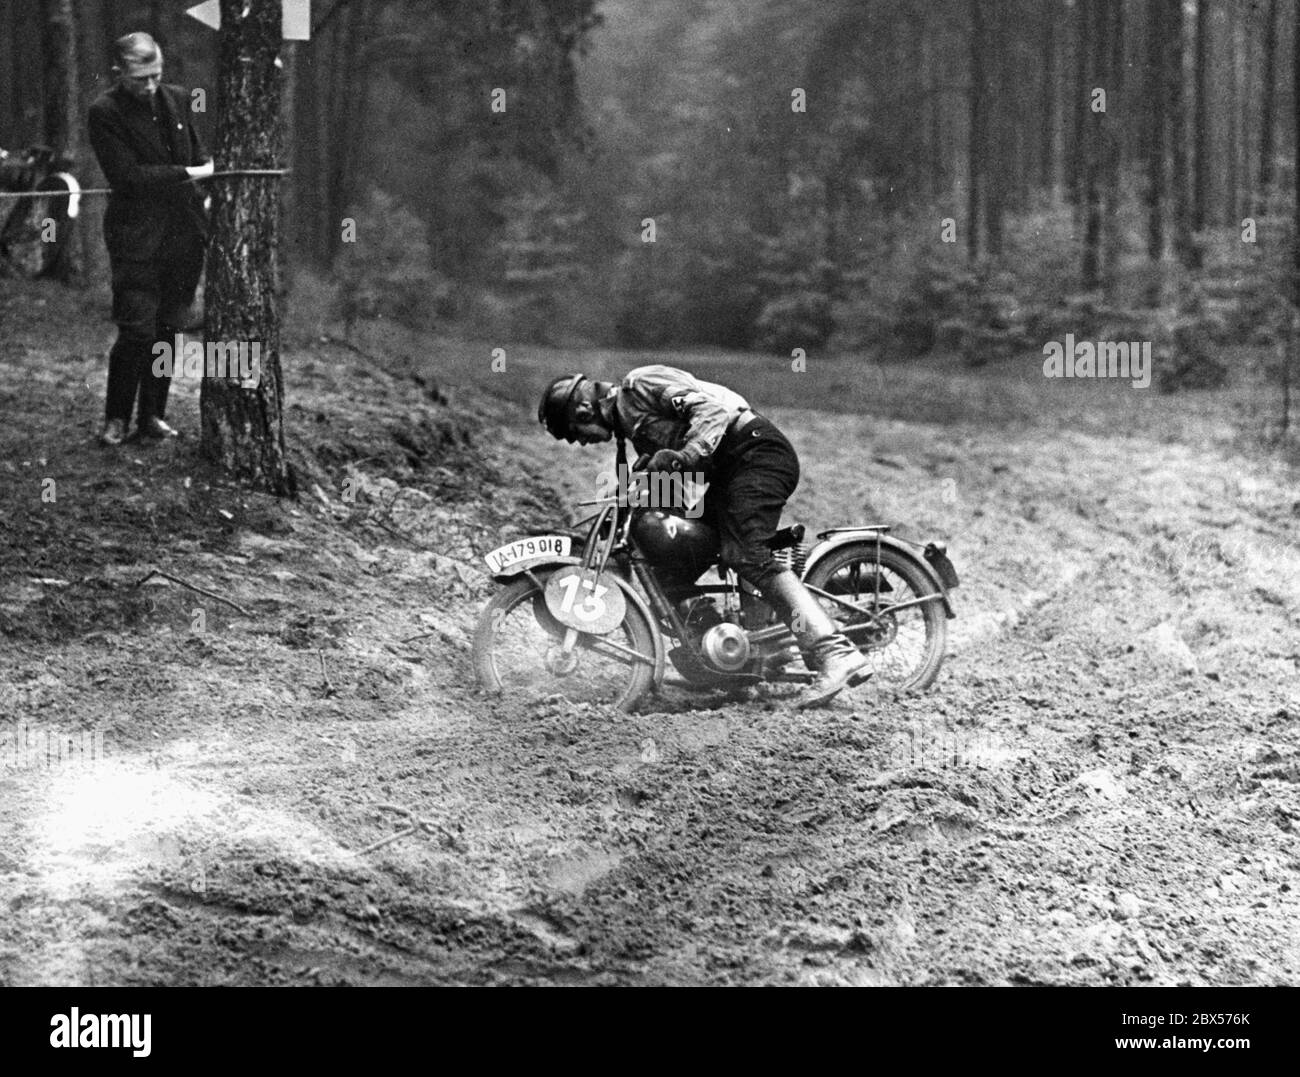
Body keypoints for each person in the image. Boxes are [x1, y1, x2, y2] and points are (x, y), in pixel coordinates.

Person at [538, 365, 871, 708]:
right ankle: (741, 660)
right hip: (731, 469)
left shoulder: (640, 385)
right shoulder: (630, 427)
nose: (579, 442)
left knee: (748, 553)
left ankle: (836, 652)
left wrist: (685, 457)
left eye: (573, 433)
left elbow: (709, 412)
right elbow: (672, 485)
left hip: (756, 454)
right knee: (675, 561)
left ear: (582, 409)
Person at [88, 32, 214, 446]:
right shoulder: (104, 112)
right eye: (140, 78)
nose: (149, 86)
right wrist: (190, 175)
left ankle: (152, 416)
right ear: (118, 73)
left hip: (183, 238)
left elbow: (196, 155)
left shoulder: (179, 98)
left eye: (155, 76)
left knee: (169, 330)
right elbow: (127, 177)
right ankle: (116, 417)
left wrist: (202, 181)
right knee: (137, 332)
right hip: (137, 240)